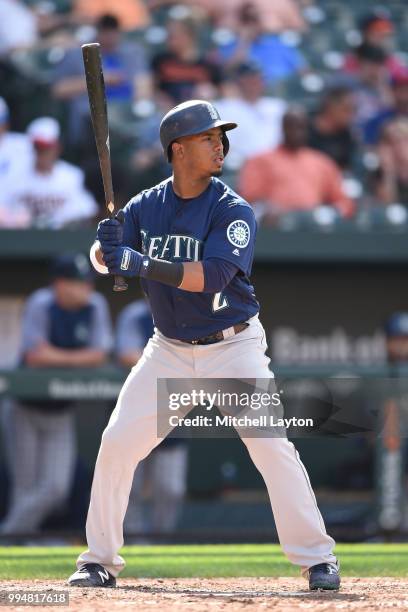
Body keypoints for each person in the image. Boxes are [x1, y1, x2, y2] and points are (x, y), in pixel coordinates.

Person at [67, 99, 340, 590]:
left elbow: (212, 276)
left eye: (220, 136)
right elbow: (104, 259)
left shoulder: (231, 209)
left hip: (231, 346)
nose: (219, 145)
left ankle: (318, 558)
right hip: (168, 349)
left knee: (270, 447)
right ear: (177, 149)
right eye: (207, 137)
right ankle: (98, 559)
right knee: (117, 445)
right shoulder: (147, 205)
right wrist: (103, 249)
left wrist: (139, 262)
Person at [0, 254, 113, 536]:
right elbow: (34, 355)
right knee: (24, 486)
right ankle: (21, 541)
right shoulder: (42, 302)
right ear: (60, 284)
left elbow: (99, 354)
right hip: (25, 408)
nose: (85, 289)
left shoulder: (95, 305)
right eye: (77, 283)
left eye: (87, 283)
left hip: (60, 412)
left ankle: (8, 536)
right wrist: (79, 358)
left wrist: (57, 357)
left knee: (55, 488)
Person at [116, 299, 188, 535]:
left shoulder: (192, 313)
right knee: (130, 487)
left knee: (171, 489)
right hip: (136, 407)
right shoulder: (136, 314)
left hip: (172, 409)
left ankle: (160, 541)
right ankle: (132, 542)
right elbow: (127, 355)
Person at [238, 107, 354, 223]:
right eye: (291, 127)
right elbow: (246, 200)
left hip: (313, 228)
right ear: (283, 128)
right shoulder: (260, 160)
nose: (297, 132)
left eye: (301, 127)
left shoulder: (321, 162)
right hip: (274, 228)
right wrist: (264, 209)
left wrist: (331, 212)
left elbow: (344, 202)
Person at [52, 14, 152, 145]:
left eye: (113, 31)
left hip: (127, 111)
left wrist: (141, 102)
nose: (110, 36)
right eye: (105, 31)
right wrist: (99, 79)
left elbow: (143, 81)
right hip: (94, 115)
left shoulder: (131, 52)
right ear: (98, 32)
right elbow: (58, 90)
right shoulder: (78, 54)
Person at [0, 117, 98, 229]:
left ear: (57, 148)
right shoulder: (14, 174)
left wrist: (62, 220)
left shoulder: (72, 175)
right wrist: (14, 219)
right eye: (39, 148)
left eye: (47, 148)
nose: (43, 153)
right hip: (22, 241)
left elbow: (88, 210)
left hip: (61, 241)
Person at [215, 62, 286, 167]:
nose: (254, 82)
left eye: (257, 78)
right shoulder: (222, 108)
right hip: (241, 166)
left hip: (278, 164)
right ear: (238, 81)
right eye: (249, 78)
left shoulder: (278, 107)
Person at [151, 16, 223, 106]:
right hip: (167, 110)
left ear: (188, 36)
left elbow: (227, 93)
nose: (168, 41)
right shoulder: (161, 61)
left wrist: (213, 93)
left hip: (200, 109)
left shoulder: (208, 64)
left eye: (173, 37)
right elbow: (152, 89)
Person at [308, 86, 357, 172]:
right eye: (346, 109)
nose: (351, 115)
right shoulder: (303, 127)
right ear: (331, 107)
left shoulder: (347, 136)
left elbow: (346, 169)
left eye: (353, 110)